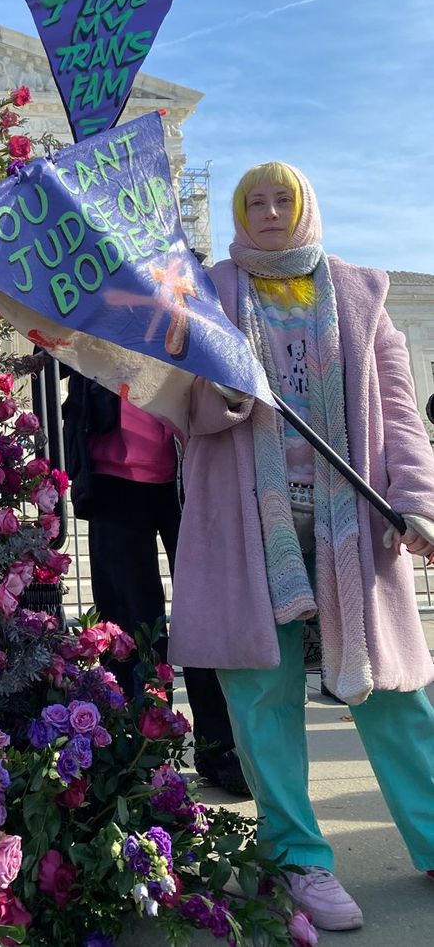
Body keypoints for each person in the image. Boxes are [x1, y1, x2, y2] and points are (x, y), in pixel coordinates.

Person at [169, 161, 434, 931]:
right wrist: (223, 392)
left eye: (283, 197)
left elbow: (402, 413)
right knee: (261, 699)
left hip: (353, 523)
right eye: (255, 200)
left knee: (394, 693)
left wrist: (415, 502)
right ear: (238, 213)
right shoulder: (206, 292)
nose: (270, 209)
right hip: (247, 525)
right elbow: (174, 406)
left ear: (308, 204)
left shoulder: (364, 294)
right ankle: (300, 860)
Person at [61, 371, 250, 795]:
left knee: (202, 614)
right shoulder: (101, 303)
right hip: (112, 475)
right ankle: (139, 747)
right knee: (131, 623)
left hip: (189, 471)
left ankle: (218, 745)